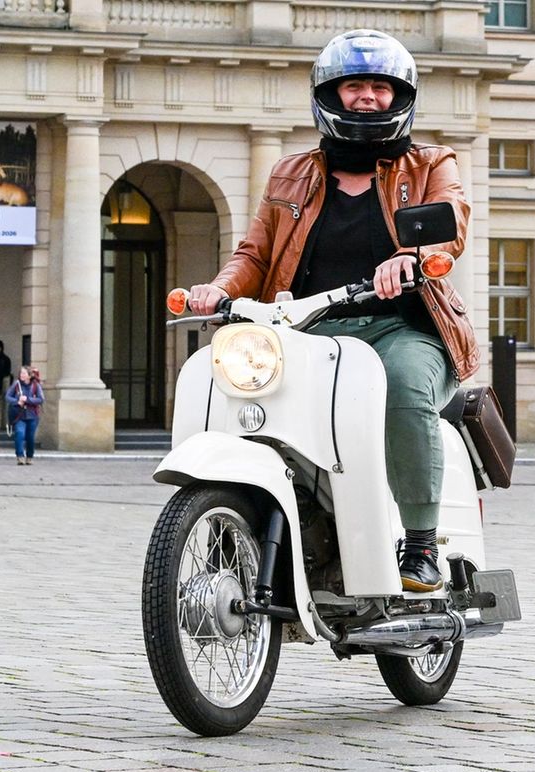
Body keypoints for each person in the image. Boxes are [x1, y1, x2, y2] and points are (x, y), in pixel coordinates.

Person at [185, 29, 474, 593]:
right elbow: (255, 253)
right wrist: (219, 290)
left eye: (380, 88)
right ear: (329, 95)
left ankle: (419, 546)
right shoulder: (290, 173)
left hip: (403, 326)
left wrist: (411, 258)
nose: (367, 97)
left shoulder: (432, 163)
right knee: (240, 395)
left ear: (401, 97)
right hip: (307, 331)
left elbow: (449, 224)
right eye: (354, 86)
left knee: (406, 389)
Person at [6, 366, 44, 464]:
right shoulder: (16, 384)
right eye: (21, 373)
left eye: (24, 373)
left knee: (30, 437)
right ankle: (20, 456)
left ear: (29, 375)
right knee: (19, 434)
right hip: (20, 415)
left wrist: (28, 399)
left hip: (32, 415)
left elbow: (41, 399)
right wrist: (17, 401)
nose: (22, 375)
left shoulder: (36, 385)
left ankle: (30, 456)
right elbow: (8, 396)